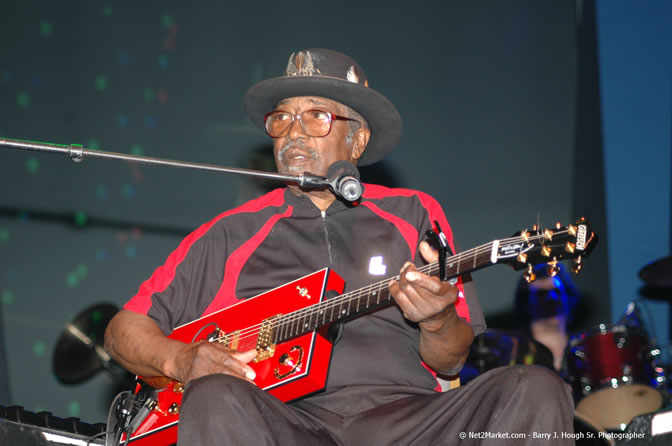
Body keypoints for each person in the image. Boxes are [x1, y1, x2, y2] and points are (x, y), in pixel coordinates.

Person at [104, 48, 574, 445]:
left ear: (358, 139)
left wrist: (436, 318)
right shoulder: (231, 233)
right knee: (211, 395)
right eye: (282, 118)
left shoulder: (413, 213)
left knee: (534, 388)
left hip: (408, 422)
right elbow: (124, 328)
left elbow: (451, 357)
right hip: (285, 424)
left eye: (317, 116)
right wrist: (181, 359)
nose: (294, 131)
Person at [514, 264, 580, 372]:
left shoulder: (581, 348)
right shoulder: (514, 350)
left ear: (568, 297)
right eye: (541, 294)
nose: (552, 298)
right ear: (526, 303)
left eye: (557, 291)